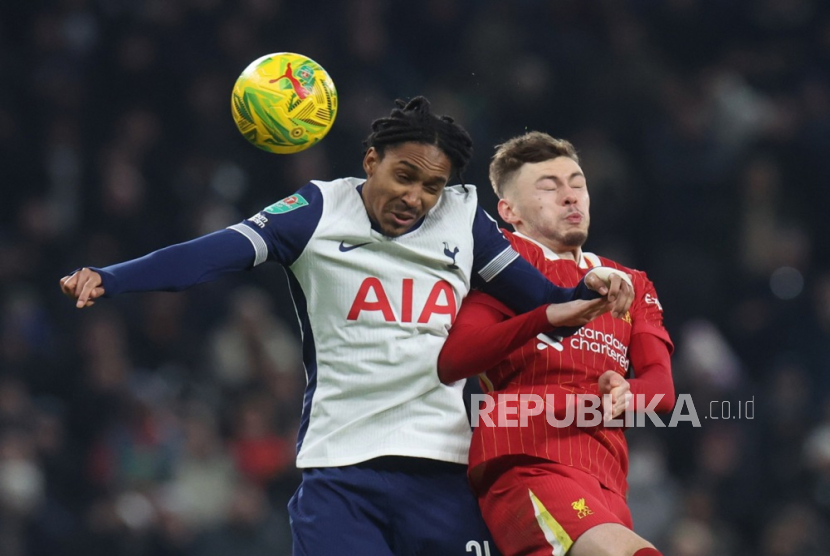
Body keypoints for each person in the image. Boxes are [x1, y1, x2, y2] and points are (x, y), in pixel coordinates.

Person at [60, 98, 633, 555]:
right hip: (341, 474)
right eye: (403, 176)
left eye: (430, 186)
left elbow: (545, 306)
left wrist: (591, 294)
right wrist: (112, 276)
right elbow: (213, 253)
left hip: (444, 473)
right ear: (370, 161)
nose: (415, 197)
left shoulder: (462, 216)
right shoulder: (317, 211)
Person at [438, 132, 675, 556]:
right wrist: (545, 316)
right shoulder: (507, 265)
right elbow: (456, 357)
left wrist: (628, 392)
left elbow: (662, 389)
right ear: (509, 211)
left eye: (577, 183)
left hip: (606, 478)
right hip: (527, 460)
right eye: (548, 187)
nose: (570, 197)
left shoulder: (633, 283)